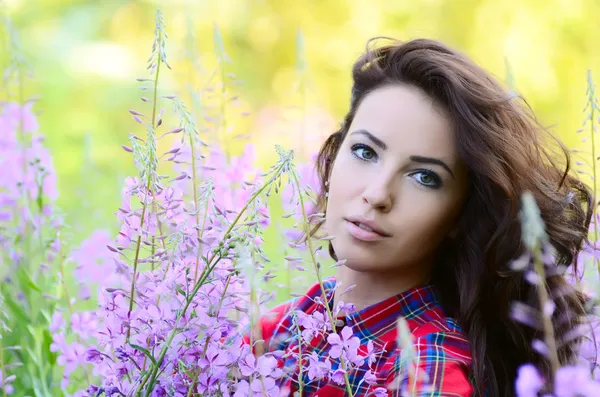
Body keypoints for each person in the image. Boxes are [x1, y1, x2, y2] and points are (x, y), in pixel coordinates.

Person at [244, 37, 593, 396]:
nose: (378, 194)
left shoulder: (429, 372)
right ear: (334, 157)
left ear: (460, 216)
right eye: (365, 151)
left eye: (424, 177)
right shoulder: (272, 330)